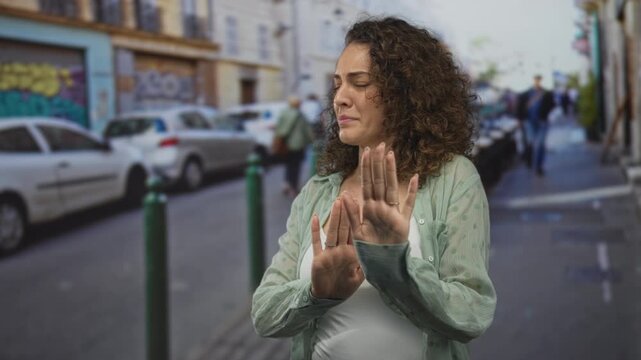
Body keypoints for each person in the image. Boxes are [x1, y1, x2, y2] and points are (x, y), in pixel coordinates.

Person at [252, 17, 496, 360]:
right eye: (337, 84)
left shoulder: (454, 178)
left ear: (405, 92)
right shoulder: (318, 191)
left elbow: (472, 314)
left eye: (360, 82)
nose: (340, 98)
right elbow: (264, 315)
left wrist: (394, 265)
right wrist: (317, 293)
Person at [275, 96, 314, 196]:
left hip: (286, 144)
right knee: (295, 166)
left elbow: (279, 128)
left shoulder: (284, 113)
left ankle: (286, 183)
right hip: (298, 144)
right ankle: (293, 187)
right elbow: (307, 130)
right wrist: (312, 140)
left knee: (288, 164)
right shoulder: (300, 115)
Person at [516, 74, 555, 176]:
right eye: (536, 79)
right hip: (529, 122)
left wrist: (545, 114)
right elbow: (520, 107)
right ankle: (530, 161)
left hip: (542, 121)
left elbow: (552, 105)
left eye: (539, 79)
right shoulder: (526, 94)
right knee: (531, 143)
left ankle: (539, 166)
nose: (537, 81)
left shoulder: (546, 93)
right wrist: (520, 119)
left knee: (541, 144)